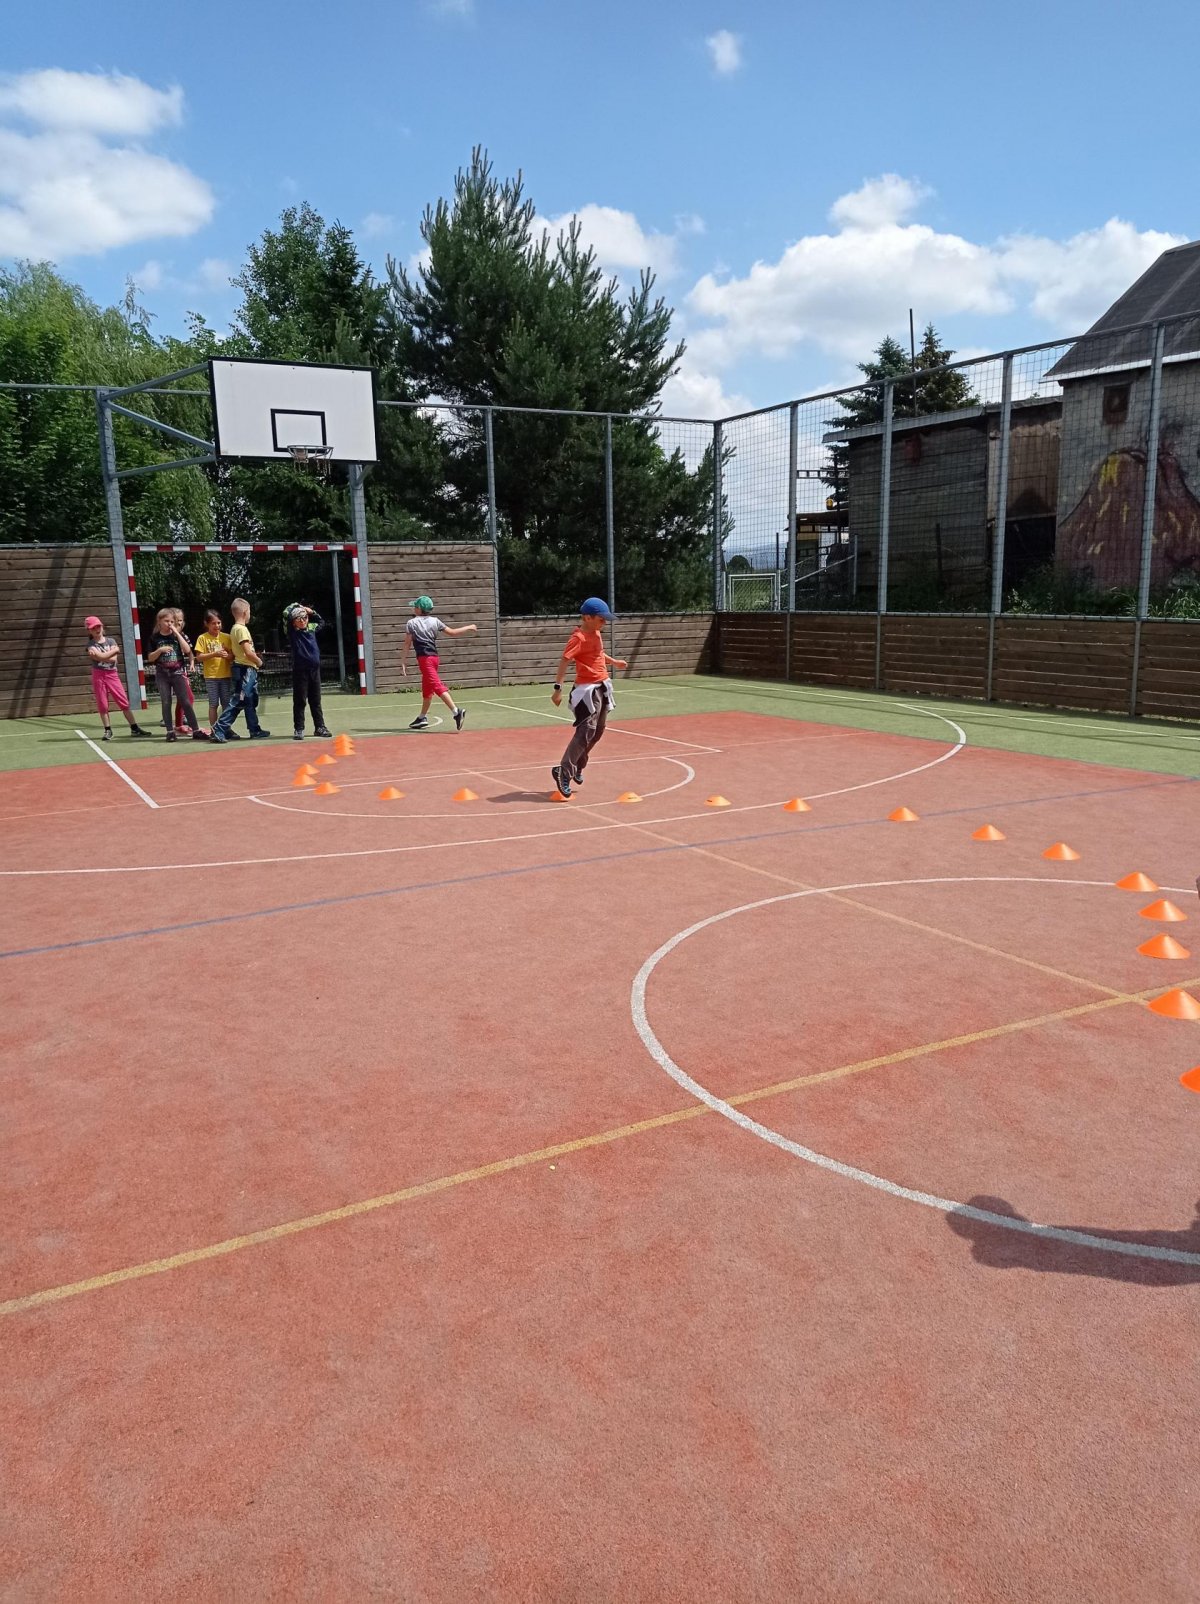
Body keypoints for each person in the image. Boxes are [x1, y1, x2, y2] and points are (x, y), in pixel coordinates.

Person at [549, 598, 627, 798]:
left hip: (602, 686)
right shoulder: (578, 638)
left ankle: (577, 765)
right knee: (586, 730)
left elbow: (598, 654)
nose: (605, 623)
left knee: (598, 731)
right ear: (587, 617)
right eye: (601, 619)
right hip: (586, 691)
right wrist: (558, 689)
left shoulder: (597, 633)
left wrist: (614, 662)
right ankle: (564, 771)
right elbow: (564, 661)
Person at [400, 595, 476, 731]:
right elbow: (452, 632)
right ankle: (422, 717)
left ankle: (456, 712)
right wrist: (469, 627)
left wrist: (403, 661)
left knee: (436, 685)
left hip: (425, 659)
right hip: (434, 658)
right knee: (427, 688)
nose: (413, 608)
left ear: (419, 609)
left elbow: (407, 643)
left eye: (415, 606)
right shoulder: (435, 621)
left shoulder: (411, 623)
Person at [210, 597, 270, 742]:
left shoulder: (235, 629)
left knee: (249, 700)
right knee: (239, 699)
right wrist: (259, 662)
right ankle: (219, 728)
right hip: (245, 670)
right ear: (245, 612)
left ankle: (254, 729)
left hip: (246, 669)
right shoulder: (241, 630)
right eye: (249, 611)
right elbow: (248, 652)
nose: (250, 614)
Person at [145, 608, 209, 742]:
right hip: (162, 674)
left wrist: (177, 633)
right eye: (166, 621)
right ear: (159, 621)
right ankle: (170, 731)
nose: (169, 624)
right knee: (166, 701)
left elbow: (187, 650)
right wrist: (160, 650)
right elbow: (150, 658)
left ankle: (196, 730)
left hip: (178, 672)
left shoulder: (177, 636)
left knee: (186, 701)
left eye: (172, 621)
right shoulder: (154, 638)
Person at [84, 615, 150, 740]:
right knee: (102, 704)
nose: (97, 629)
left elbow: (113, 659)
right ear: (89, 631)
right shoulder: (90, 645)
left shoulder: (111, 641)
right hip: (98, 675)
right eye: (93, 628)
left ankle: (134, 728)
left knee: (123, 702)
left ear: (102, 626)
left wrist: (102, 656)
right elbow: (102, 657)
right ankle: (108, 730)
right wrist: (112, 652)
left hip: (112, 675)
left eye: (98, 626)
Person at [283, 602, 333, 741]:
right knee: (300, 701)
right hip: (300, 672)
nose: (303, 620)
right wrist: (297, 605)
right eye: (299, 618)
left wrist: (311, 612)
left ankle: (320, 727)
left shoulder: (311, 628)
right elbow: (285, 614)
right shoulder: (293, 632)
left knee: (315, 700)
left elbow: (321, 622)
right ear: (293, 622)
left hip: (314, 671)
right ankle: (299, 728)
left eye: (305, 617)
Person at [194, 607, 239, 736]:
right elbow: (199, 657)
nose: (217, 626)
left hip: (225, 675)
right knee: (213, 703)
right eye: (213, 623)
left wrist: (227, 656)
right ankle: (214, 729)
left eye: (218, 623)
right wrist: (215, 654)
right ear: (206, 624)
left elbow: (232, 656)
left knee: (226, 703)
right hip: (211, 676)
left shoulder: (227, 637)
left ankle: (226, 728)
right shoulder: (202, 638)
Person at [171, 608, 197, 734]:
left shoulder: (183, 636)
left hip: (182, 671)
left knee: (182, 699)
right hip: (173, 672)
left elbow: (190, 652)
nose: (179, 623)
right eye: (176, 620)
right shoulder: (168, 637)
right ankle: (185, 723)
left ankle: (178, 725)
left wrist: (192, 663)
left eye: (180, 620)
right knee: (189, 697)